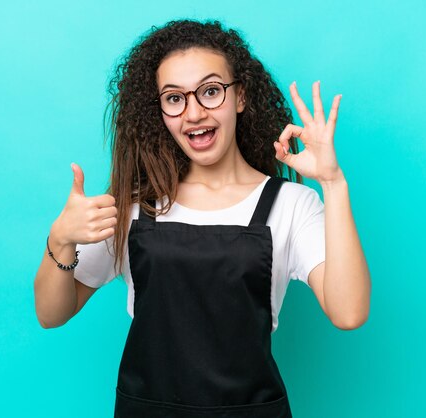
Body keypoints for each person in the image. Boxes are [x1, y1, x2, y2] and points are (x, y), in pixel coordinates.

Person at [34, 19, 370, 418]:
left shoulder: (292, 205)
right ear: (158, 110)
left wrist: (333, 184)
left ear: (240, 96)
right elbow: (52, 314)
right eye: (174, 98)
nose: (193, 113)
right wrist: (60, 241)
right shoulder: (134, 208)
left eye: (211, 91)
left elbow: (349, 313)